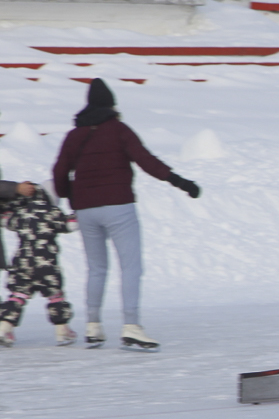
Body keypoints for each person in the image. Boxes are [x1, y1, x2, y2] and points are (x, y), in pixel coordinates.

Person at [52, 79, 201, 351]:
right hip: (119, 206)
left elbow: (59, 173)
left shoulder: (74, 136)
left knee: (97, 269)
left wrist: (69, 197)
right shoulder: (119, 130)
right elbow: (147, 161)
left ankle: (93, 326)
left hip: (86, 211)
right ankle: (131, 325)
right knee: (130, 266)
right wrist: (181, 182)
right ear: (111, 104)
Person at [0, 186, 75, 346]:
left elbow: (6, 221)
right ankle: (62, 330)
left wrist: (8, 210)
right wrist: (79, 216)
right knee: (55, 296)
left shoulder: (21, 212)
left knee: (17, 295)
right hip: (46, 263)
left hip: (22, 262)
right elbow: (69, 225)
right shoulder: (52, 211)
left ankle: (4, 326)